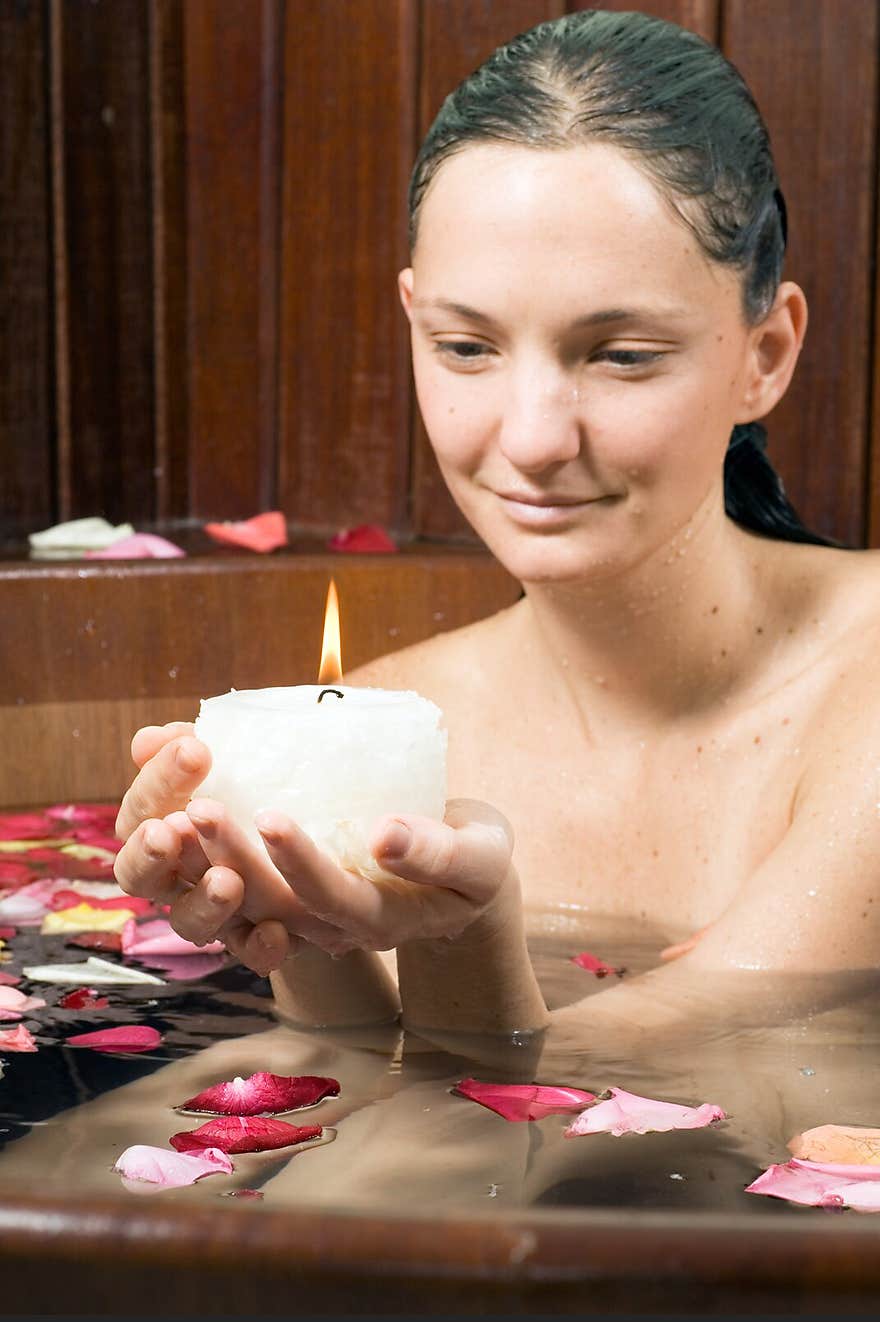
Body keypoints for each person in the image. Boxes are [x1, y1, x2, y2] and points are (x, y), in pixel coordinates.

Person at [113, 9, 880, 1065]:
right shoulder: (393, 727)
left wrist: (467, 931)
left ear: (766, 351)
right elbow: (352, 1074)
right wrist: (280, 920)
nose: (530, 438)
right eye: (466, 345)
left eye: (618, 354)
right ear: (412, 320)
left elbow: (627, 1095)